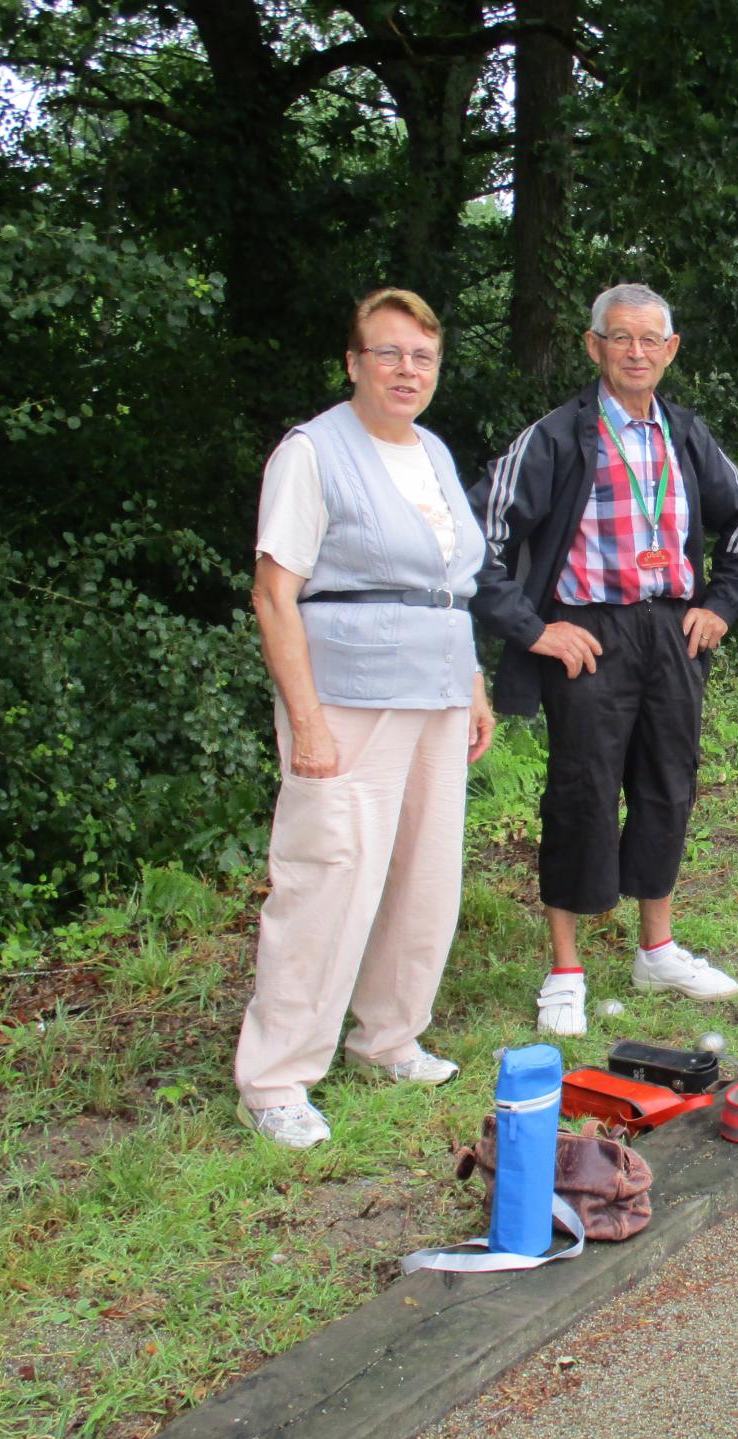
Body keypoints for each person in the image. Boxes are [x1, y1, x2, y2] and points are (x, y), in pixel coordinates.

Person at [236, 287, 497, 1149]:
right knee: (329, 877)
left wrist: (475, 683)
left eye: (421, 356)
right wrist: (305, 720)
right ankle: (276, 1079)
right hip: (346, 696)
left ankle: (387, 1035)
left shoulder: (431, 451)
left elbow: (448, 583)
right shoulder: (311, 453)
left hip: (437, 694)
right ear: (353, 363)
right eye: (387, 353)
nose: (406, 370)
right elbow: (275, 595)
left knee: (425, 875)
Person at [470, 283, 738, 1036]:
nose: (636, 352)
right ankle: (565, 967)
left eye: (651, 340)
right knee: (581, 790)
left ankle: (657, 947)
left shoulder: (687, 436)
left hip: (672, 630)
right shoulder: (558, 437)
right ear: (593, 345)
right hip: (589, 635)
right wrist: (535, 629)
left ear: (670, 351)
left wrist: (720, 606)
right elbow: (476, 539)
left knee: (669, 783)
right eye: (621, 338)